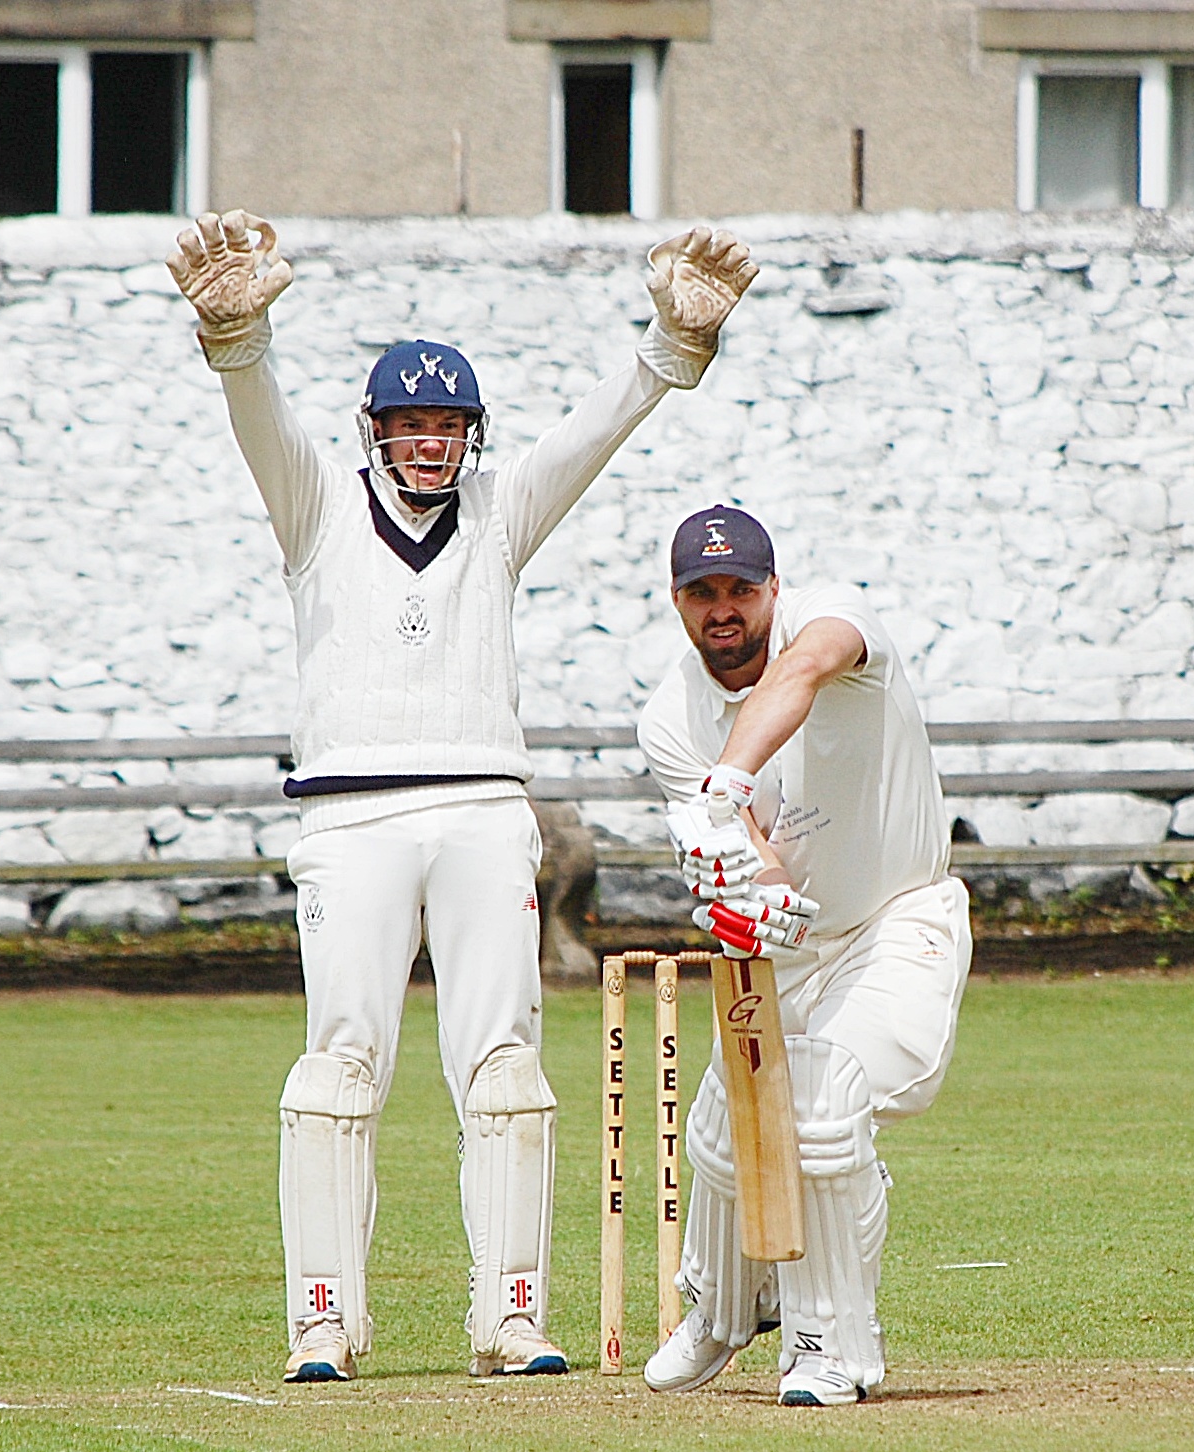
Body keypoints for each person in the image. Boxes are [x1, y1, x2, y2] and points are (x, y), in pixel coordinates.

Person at [165, 212, 757, 1384]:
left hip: (487, 811)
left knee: (505, 1069)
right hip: (349, 818)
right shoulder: (318, 504)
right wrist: (239, 338)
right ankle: (322, 1322)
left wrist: (664, 347)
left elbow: (588, 439)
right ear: (374, 433)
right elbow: (259, 421)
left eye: (446, 425)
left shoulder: (499, 513)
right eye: (409, 424)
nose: (429, 445)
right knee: (338, 1070)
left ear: (467, 436)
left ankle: (511, 1318)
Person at [633, 505, 973, 1407]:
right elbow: (755, 848)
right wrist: (762, 888)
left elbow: (809, 664)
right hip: (800, 940)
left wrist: (729, 775)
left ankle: (832, 1344)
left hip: (901, 919)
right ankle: (719, 1311)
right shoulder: (670, 717)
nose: (724, 610)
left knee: (821, 1101)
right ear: (676, 600)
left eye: (741, 590)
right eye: (702, 593)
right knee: (719, 1118)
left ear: (774, 589)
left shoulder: (833, 624)